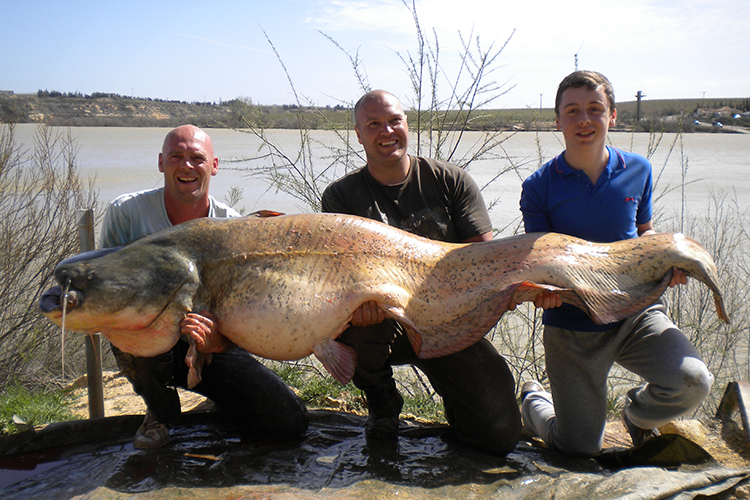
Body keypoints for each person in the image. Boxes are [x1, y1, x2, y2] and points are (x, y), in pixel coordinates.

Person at [518, 71, 713, 457]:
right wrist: (543, 292)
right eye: (572, 111)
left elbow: (644, 233)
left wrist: (664, 263)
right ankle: (530, 400)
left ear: (613, 116)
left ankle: (638, 417)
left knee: (694, 381)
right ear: (557, 120)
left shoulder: (639, 170)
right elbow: (540, 261)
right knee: (578, 448)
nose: (584, 120)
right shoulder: (538, 186)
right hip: (573, 326)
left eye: (595, 109)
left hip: (637, 314)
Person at [321, 90, 521, 454]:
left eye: (394, 121)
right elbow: (339, 279)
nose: (387, 131)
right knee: (362, 318)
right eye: (374, 124)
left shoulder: (450, 181)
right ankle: (381, 399)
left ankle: (460, 405)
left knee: (499, 437)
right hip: (381, 323)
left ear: (407, 124)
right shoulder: (340, 197)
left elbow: (484, 261)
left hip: (448, 318)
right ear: (358, 134)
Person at [100, 124, 308, 449]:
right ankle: (160, 410)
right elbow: (107, 293)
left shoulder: (234, 226)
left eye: (197, 158)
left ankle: (219, 398)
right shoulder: (126, 214)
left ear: (213, 165)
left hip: (208, 344)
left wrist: (219, 341)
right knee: (128, 327)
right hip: (148, 341)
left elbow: (245, 312)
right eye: (176, 156)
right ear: (160, 162)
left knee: (288, 419)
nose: (186, 166)